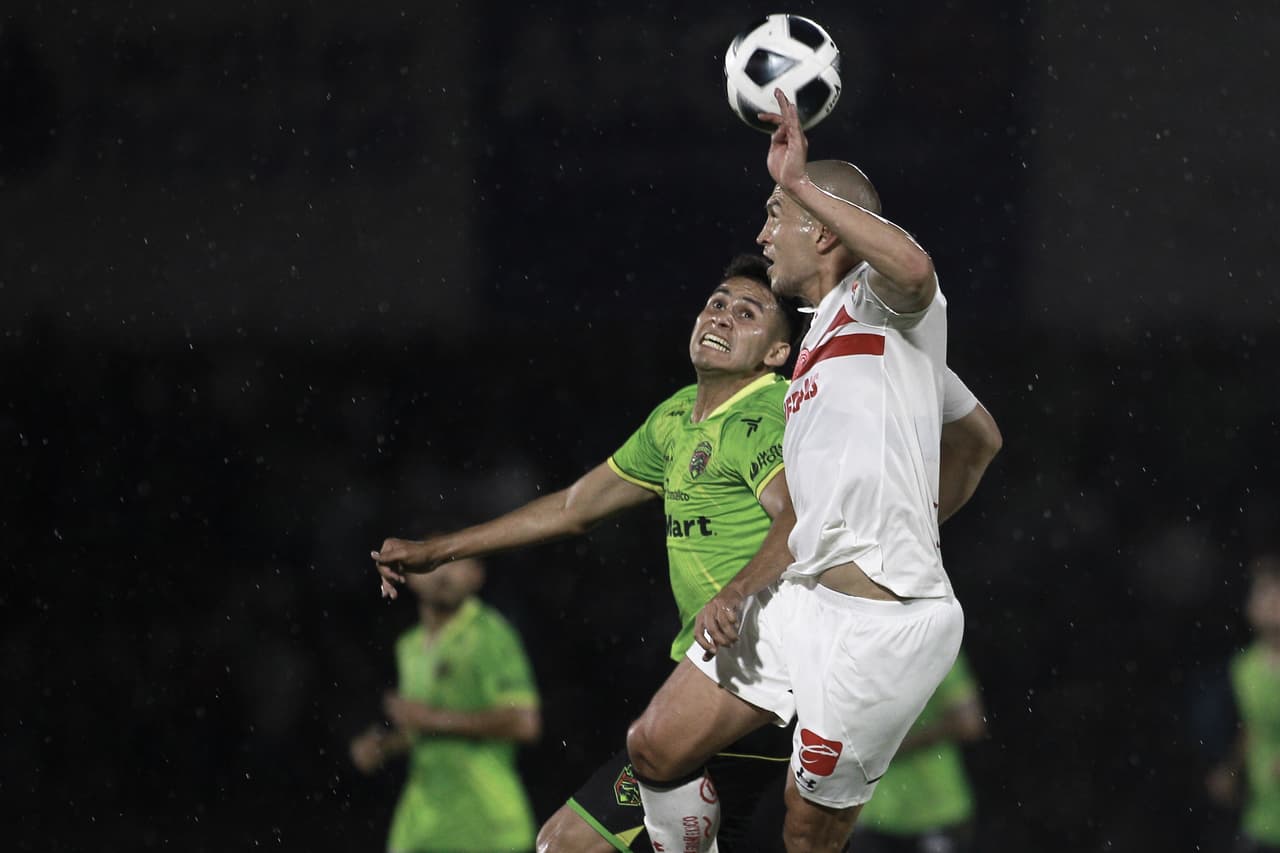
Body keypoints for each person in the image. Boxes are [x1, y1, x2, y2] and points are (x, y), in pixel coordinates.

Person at [624, 88, 1001, 852]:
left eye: (776, 216)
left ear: (824, 232)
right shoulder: (819, 346)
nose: (763, 233)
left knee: (808, 834)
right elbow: (980, 437)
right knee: (655, 743)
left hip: (882, 630)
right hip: (802, 603)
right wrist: (746, 585)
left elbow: (918, 269)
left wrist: (799, 183)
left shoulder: (882, 305)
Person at [373, 253, 808, 852]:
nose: (722, 317)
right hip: (712, 680)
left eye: (747, 312)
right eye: (716, 302)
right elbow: (575, 506)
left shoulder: (762, 417)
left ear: (777, 354)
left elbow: (798, 519)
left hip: (753, 680)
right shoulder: (677, 418)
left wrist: (735, 593)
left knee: (592, 816)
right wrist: (440, 550)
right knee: (570, 843)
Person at [349, 557, 542, 853]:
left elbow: (525, 723)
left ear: (477, 574)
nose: (443, 575)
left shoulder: (491, 634)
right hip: (421, 826)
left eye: (454, 563)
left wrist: (431, 719)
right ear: (410, 577)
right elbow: (420, 732)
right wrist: (384, 746)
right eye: (431, 564)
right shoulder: (408, 646)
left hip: (484, 826)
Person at [851, 650, 987, 853]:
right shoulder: (856, 657)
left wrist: (892, 746)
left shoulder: (937, 650)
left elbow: (969, 722)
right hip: (874, 813)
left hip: (935, 809)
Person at [1205, 554, 1280, 853]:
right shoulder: (1243, 668)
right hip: (1261, 810)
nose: (1272, 602)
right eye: (1264, 593)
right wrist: (1231, 771)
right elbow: (1249, 728)